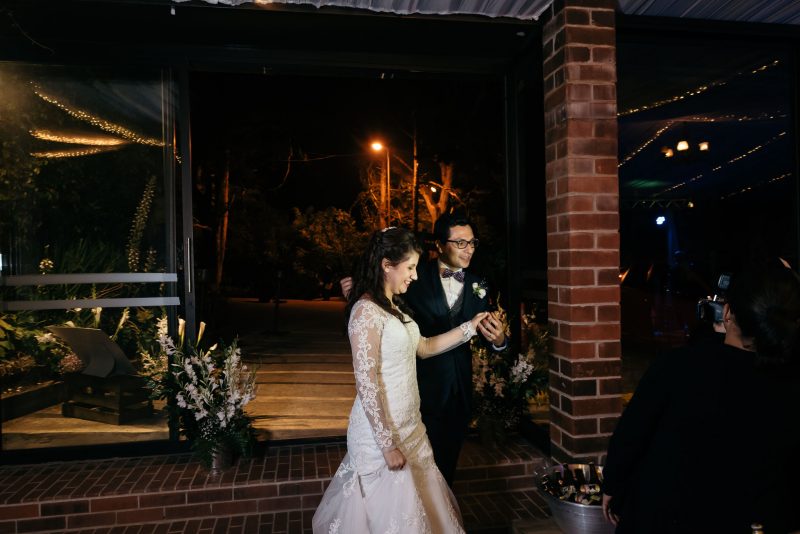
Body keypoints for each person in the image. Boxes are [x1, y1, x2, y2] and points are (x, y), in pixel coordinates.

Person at [601, 258, 800, 534]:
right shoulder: (788, 385)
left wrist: (612, 485)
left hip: (664, 518)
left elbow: (632, 434)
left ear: (727, 312)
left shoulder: (678, 366)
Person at [313, 227, 488, 534]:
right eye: (410, 268)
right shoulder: (365, 312)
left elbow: (426, 347)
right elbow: (367, 384)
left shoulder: (395, 308)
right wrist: (386, 446)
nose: (415, 276)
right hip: (381, 437)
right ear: (386, 265)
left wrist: (469, 328)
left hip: (411, 428)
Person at [403, 212, 508, 486]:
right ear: (439, 245)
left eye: (472, 243)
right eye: (460, 243)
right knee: (416, 471)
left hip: (458, 392)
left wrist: (498, 340)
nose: (469, 249)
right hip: (419, 389)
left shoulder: (479, 285)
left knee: (446, 470)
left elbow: (487, 335)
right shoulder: (413, 277)